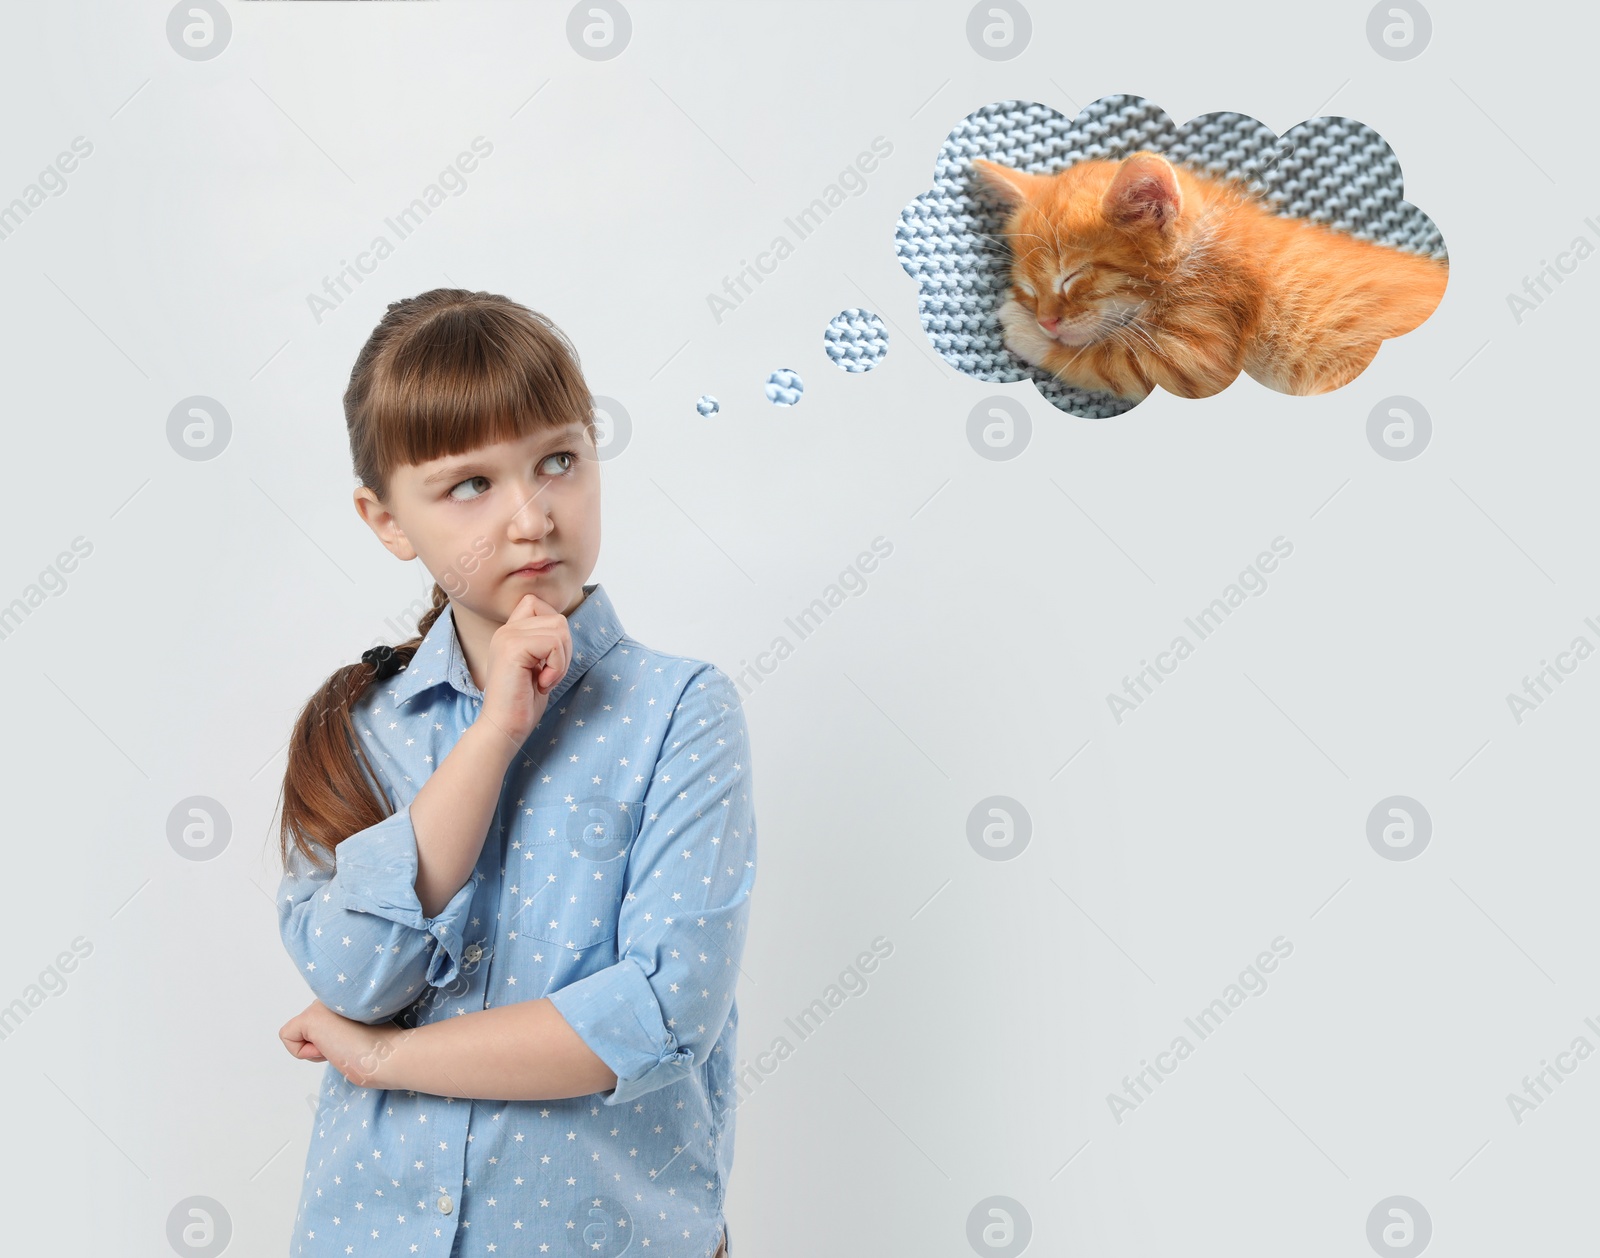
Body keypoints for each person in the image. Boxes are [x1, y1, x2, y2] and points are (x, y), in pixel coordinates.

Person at [270, 288, 754, 1258]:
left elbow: (660, 1015)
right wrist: (492, 735)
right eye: (469, 485)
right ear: (385, 518)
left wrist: (389, 1058)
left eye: (558, 461)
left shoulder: (679, 712)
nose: (531, 516)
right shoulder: (359, 729)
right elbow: (357, 973)